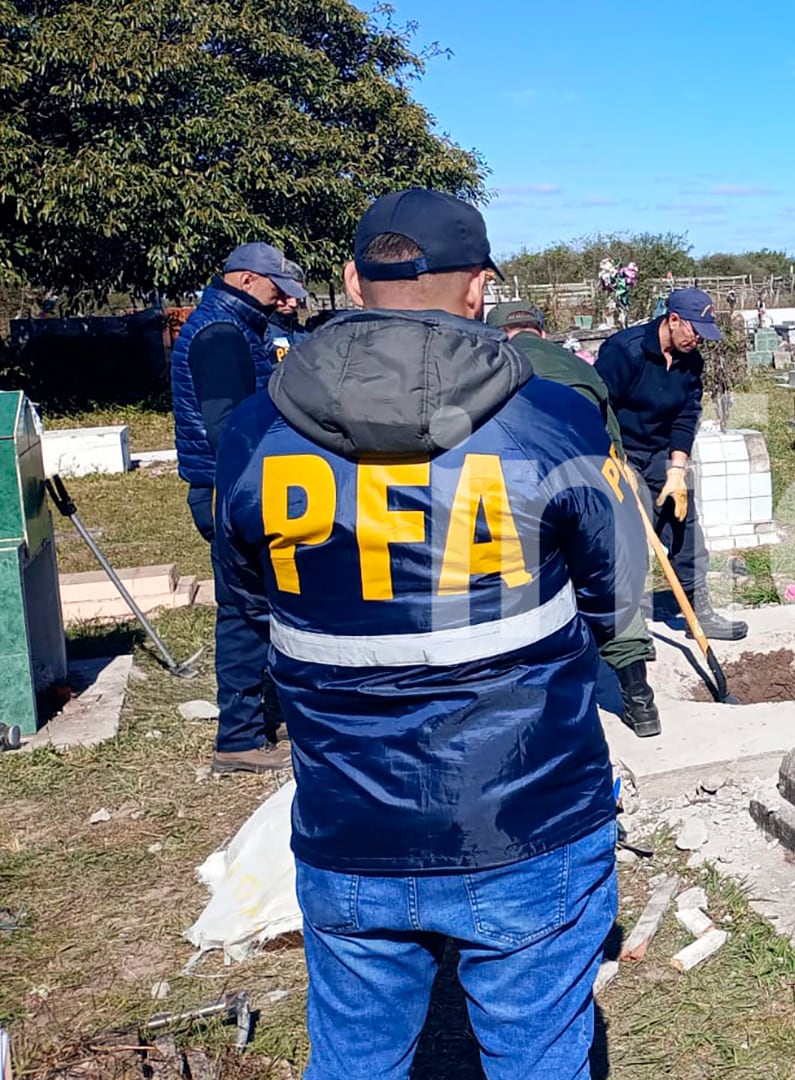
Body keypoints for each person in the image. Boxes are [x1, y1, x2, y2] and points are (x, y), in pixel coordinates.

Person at [214, 188, 646, 1079]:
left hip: (347, 823)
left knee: (355, 1063)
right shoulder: (553, 421)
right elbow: (619, 592)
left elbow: (249, 605)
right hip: (528, 819)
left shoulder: (255, 433)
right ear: (479, 291)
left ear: (350, 280)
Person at [488, 299, 660, 737]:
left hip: (520, 489)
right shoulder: (580, 368)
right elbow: (612, 440)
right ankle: (642, 707)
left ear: (496, 333)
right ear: (540, 331)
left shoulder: (490, 365)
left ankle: (542, 709)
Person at [171, 241, 308, 774]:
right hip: (232, 490)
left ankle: (261, 720)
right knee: (246, 614)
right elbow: (228, 429)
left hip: (233, 487)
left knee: (259, 608)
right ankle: (240, 736)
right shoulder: (224, 336)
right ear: (248, 281)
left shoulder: (235, 326)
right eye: (277, 289)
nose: (282, 301)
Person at [595, 289, 748, 641]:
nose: (698, 340)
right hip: (619, 453)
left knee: (685, 526)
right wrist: (616, 462)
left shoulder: (691, 361)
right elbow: (598, 409)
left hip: (662, 453)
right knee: (630, 540)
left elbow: (686, 415)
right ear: (673, 319)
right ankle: (629, 627)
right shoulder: (624, 352)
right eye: (695, 331)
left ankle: (700, 611)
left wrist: (677, 470)